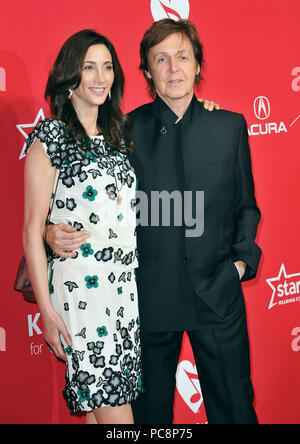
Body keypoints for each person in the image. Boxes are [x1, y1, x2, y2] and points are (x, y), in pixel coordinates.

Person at [46, 19, 261, 424]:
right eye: (161, 60)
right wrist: (46, 230)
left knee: (235, 410)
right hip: (147, 301)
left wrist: (239, 265)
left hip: (217, 296)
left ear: (198, 65)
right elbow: (81, 198)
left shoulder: (229, 126)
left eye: (182, 57)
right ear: (147, 71)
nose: (173, 69)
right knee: (147, 418)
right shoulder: (123, 131)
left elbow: (247, 207)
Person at [23, 29, 144, 425]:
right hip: (82, 293)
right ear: (69, 76)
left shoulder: (118, 137)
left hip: (123, 291)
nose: (99, 77)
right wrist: (45, 309)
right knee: (117, 417)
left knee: (99, 413)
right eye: (88, 67)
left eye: (107, 67)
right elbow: (32, 228)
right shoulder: (51, 137)